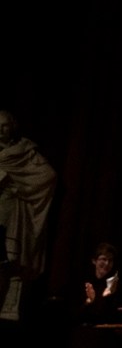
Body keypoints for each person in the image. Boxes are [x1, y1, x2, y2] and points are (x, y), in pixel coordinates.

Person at [0, 109, 57, 320]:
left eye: (4, 125)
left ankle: (7, 307)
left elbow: (47, 177)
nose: (0, 130)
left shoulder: (23, 152)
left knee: (8, 262)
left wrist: (19, 186)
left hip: (9, 215)